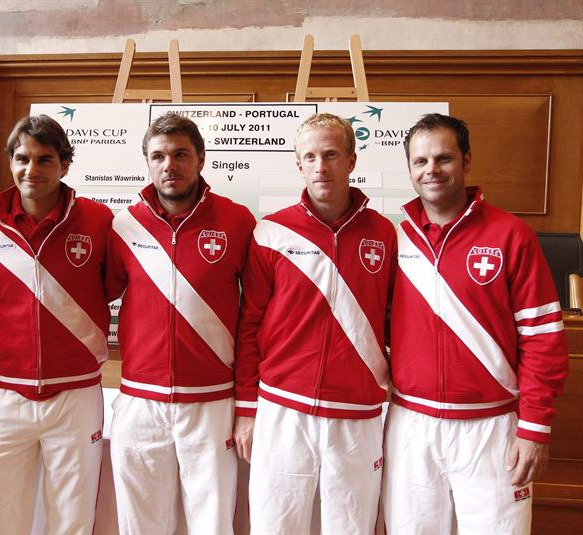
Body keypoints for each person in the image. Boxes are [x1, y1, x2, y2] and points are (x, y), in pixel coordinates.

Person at [383, 113, 569, 533]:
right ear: (409, 168)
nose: (431, 170)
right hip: (412, 425)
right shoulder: (395, 238)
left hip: (492, 426)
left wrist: (535, 427)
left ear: (466, 161)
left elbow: (542, 337)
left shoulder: (511, 235)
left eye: (444, 158)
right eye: (420, 161)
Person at [233, 113, 395, 533]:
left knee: (352, 528)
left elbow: (396, 320)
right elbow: (248, 325)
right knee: (274, 526)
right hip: (283, 407)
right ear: (298, 164)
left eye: (331, 155)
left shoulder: (385, 234)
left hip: (356, 413)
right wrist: (248, 408)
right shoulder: (271, 232)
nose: (321, 166)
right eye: (310, 157)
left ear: (351, 161)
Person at [106, 111, 256, 534]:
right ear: (148, 163)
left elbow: (253, 319)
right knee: (140, 523)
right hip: (140, 400)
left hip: (210, 401)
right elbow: (96, 296)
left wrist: (247, 402)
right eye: (158, 156)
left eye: (180, 154)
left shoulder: (238, 221)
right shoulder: (124, 225)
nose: (169, 165)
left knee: (211, 523)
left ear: (201, 158)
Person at [0, 114, 112, 534]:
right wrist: (14, 320)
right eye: (22, 158)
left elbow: (112, 284)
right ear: (10, 162)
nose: (32, 169)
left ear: (64, 165)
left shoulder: (98, 220)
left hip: (76, 393)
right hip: (6, 391)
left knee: (72, 514)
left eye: (45, 159)